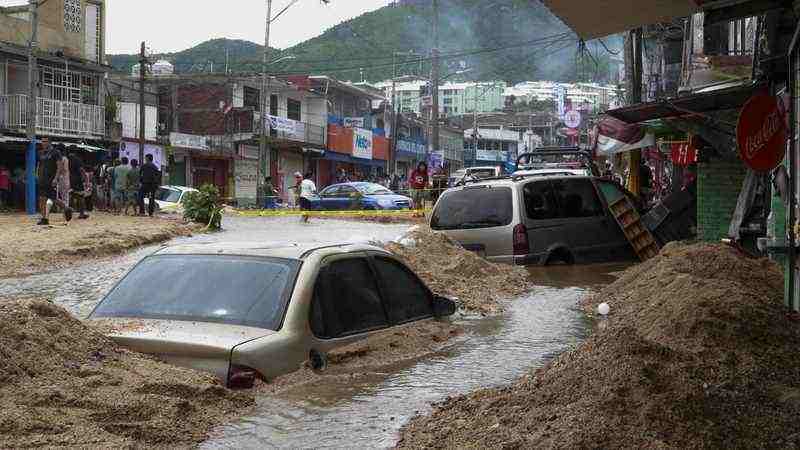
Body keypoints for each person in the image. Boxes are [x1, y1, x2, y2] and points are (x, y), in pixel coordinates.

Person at [67, 149, 89, 219]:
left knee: (71, 196)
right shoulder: (77, 160)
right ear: (75, 152)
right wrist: (85, 179)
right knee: (80, 196)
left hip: (68, 179)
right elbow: (81, 170)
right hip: (77, 180)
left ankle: (69, 213)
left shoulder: (67, 159)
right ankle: (81, 214)